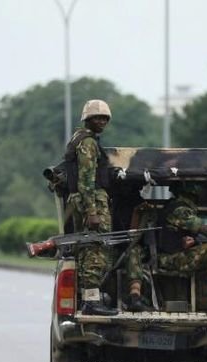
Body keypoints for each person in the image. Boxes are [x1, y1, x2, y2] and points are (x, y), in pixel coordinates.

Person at [64, 99, 116, 316]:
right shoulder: (87, 143)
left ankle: (90, 299)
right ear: (87, 119)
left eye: (105, 118)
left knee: (88, 250)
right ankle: (92, 301)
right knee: (97, 249)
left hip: (84, 201)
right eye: (97, 118)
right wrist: (92, 212)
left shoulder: (79, 139)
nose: (102, 121)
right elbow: (86, 179)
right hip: (91, 201)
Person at [154, 183, 207, 312]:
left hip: (180, 254)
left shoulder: (186, 208)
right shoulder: (179, 210)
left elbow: (194, 235)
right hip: (169, 258)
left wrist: (194, 240)